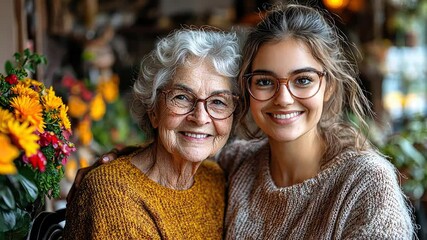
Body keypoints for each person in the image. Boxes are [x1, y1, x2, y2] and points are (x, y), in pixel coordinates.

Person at [67, 3, 416, 239]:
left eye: (303, 80)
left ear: (329, 87)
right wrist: (125, 164)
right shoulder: (237, 166)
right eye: (265, 81)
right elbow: (168, 167)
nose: (283, 97)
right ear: (248, 92)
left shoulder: (366, 184)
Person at [63, 27, 242, 239]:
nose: (201, 117)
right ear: (154, 109)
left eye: (218, 102)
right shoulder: (113, 195)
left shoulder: (218, 180)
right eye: (182, 97)